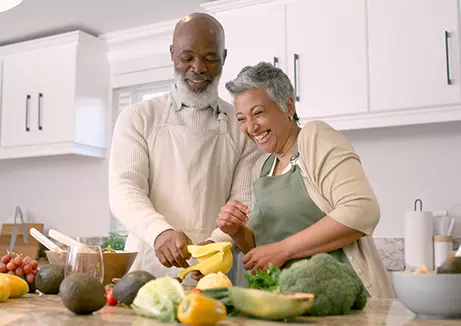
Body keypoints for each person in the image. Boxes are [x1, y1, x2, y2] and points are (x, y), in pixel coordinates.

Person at [216, 62, 395, 298]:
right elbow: (265, 253)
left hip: (344, 300)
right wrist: (237, 231)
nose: (250, 126)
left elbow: (362, 210)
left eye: (258, 113)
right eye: (241, 118)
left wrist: (283, 250)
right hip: (286, 302)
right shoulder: (262, 167)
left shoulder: (315, 138)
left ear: (287, 106)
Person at [108, 13, 262, 285]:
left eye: (210, 58)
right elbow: (124, 188)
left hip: (216, 274)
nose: (198, 68)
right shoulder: (138, 117)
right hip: (147, 273)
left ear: (224, 57)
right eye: (186, 57)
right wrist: (159, 232)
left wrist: (214, 245)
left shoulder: (242, 124)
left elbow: (245, 202)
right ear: (172, 54)